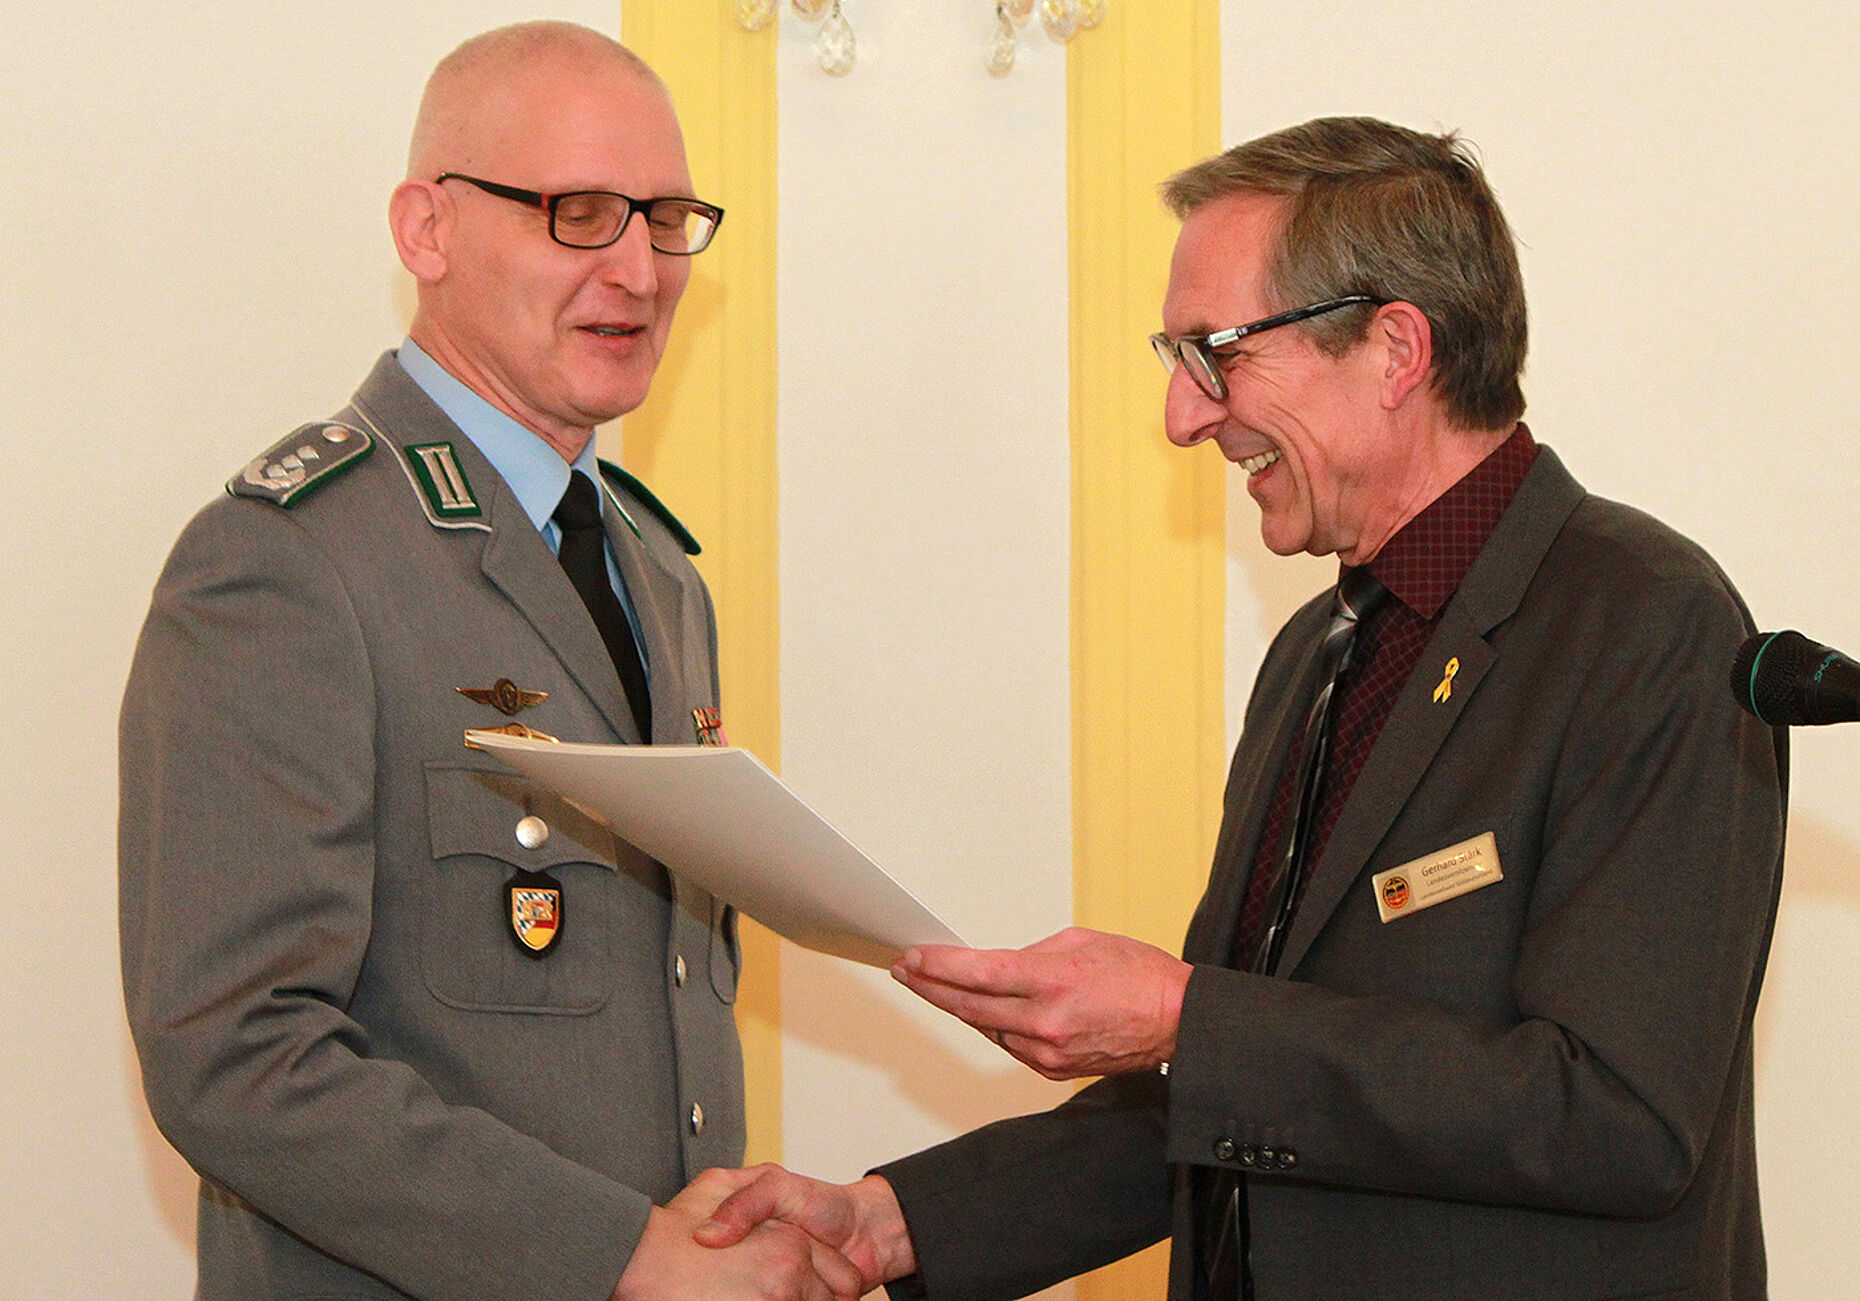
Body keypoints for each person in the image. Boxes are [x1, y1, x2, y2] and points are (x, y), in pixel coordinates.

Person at [698, 117, 1789, 1299]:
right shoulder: (1315, 656)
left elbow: (1616, 1113)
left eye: (1215, 352)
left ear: (1396, 349)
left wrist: (1184, 1015)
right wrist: (890, 1221)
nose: (1183, 415)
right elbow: (1235, 1093)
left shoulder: (1646, 621)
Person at [118, 22, 856, 1301]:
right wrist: (623, 1256)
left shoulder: (656, 573)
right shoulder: (288, 563)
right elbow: (233, 1053)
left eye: (666, 216)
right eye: (578, 212)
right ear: (426, 230)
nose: (638, 266)